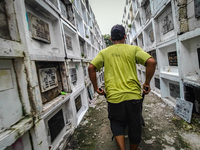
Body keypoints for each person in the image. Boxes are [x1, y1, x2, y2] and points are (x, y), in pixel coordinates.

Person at [88, 24, 156, 150]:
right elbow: (151, 62)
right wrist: (146, 83)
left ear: (111, 39)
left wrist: (96, 87)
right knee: (135, 126)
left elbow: (91, 67)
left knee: (117, 122)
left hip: (114, 97)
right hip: (134, 96)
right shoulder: (133, 49)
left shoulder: (104, 53)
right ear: (125, 36)